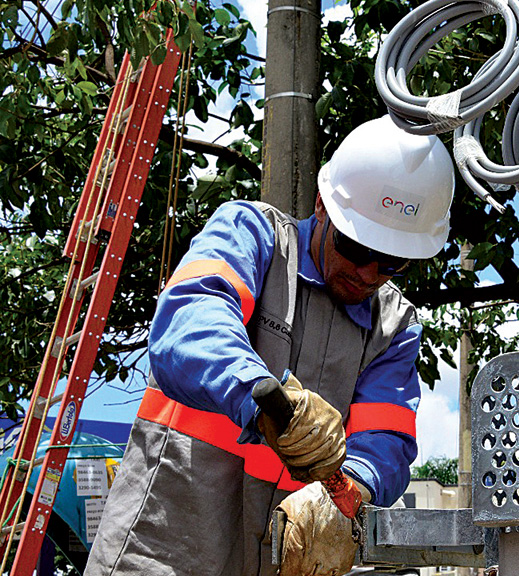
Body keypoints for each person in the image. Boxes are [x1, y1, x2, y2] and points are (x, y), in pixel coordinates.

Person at [84, 115, 456, 576]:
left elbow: (385, 438)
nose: (368, 274)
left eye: (391, 262)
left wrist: (351, 489)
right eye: (357, 249)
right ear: (322, 206)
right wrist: (263, 397)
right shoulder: (253, 236)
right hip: (167, 549)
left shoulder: (393, 327)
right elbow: (189, 322)